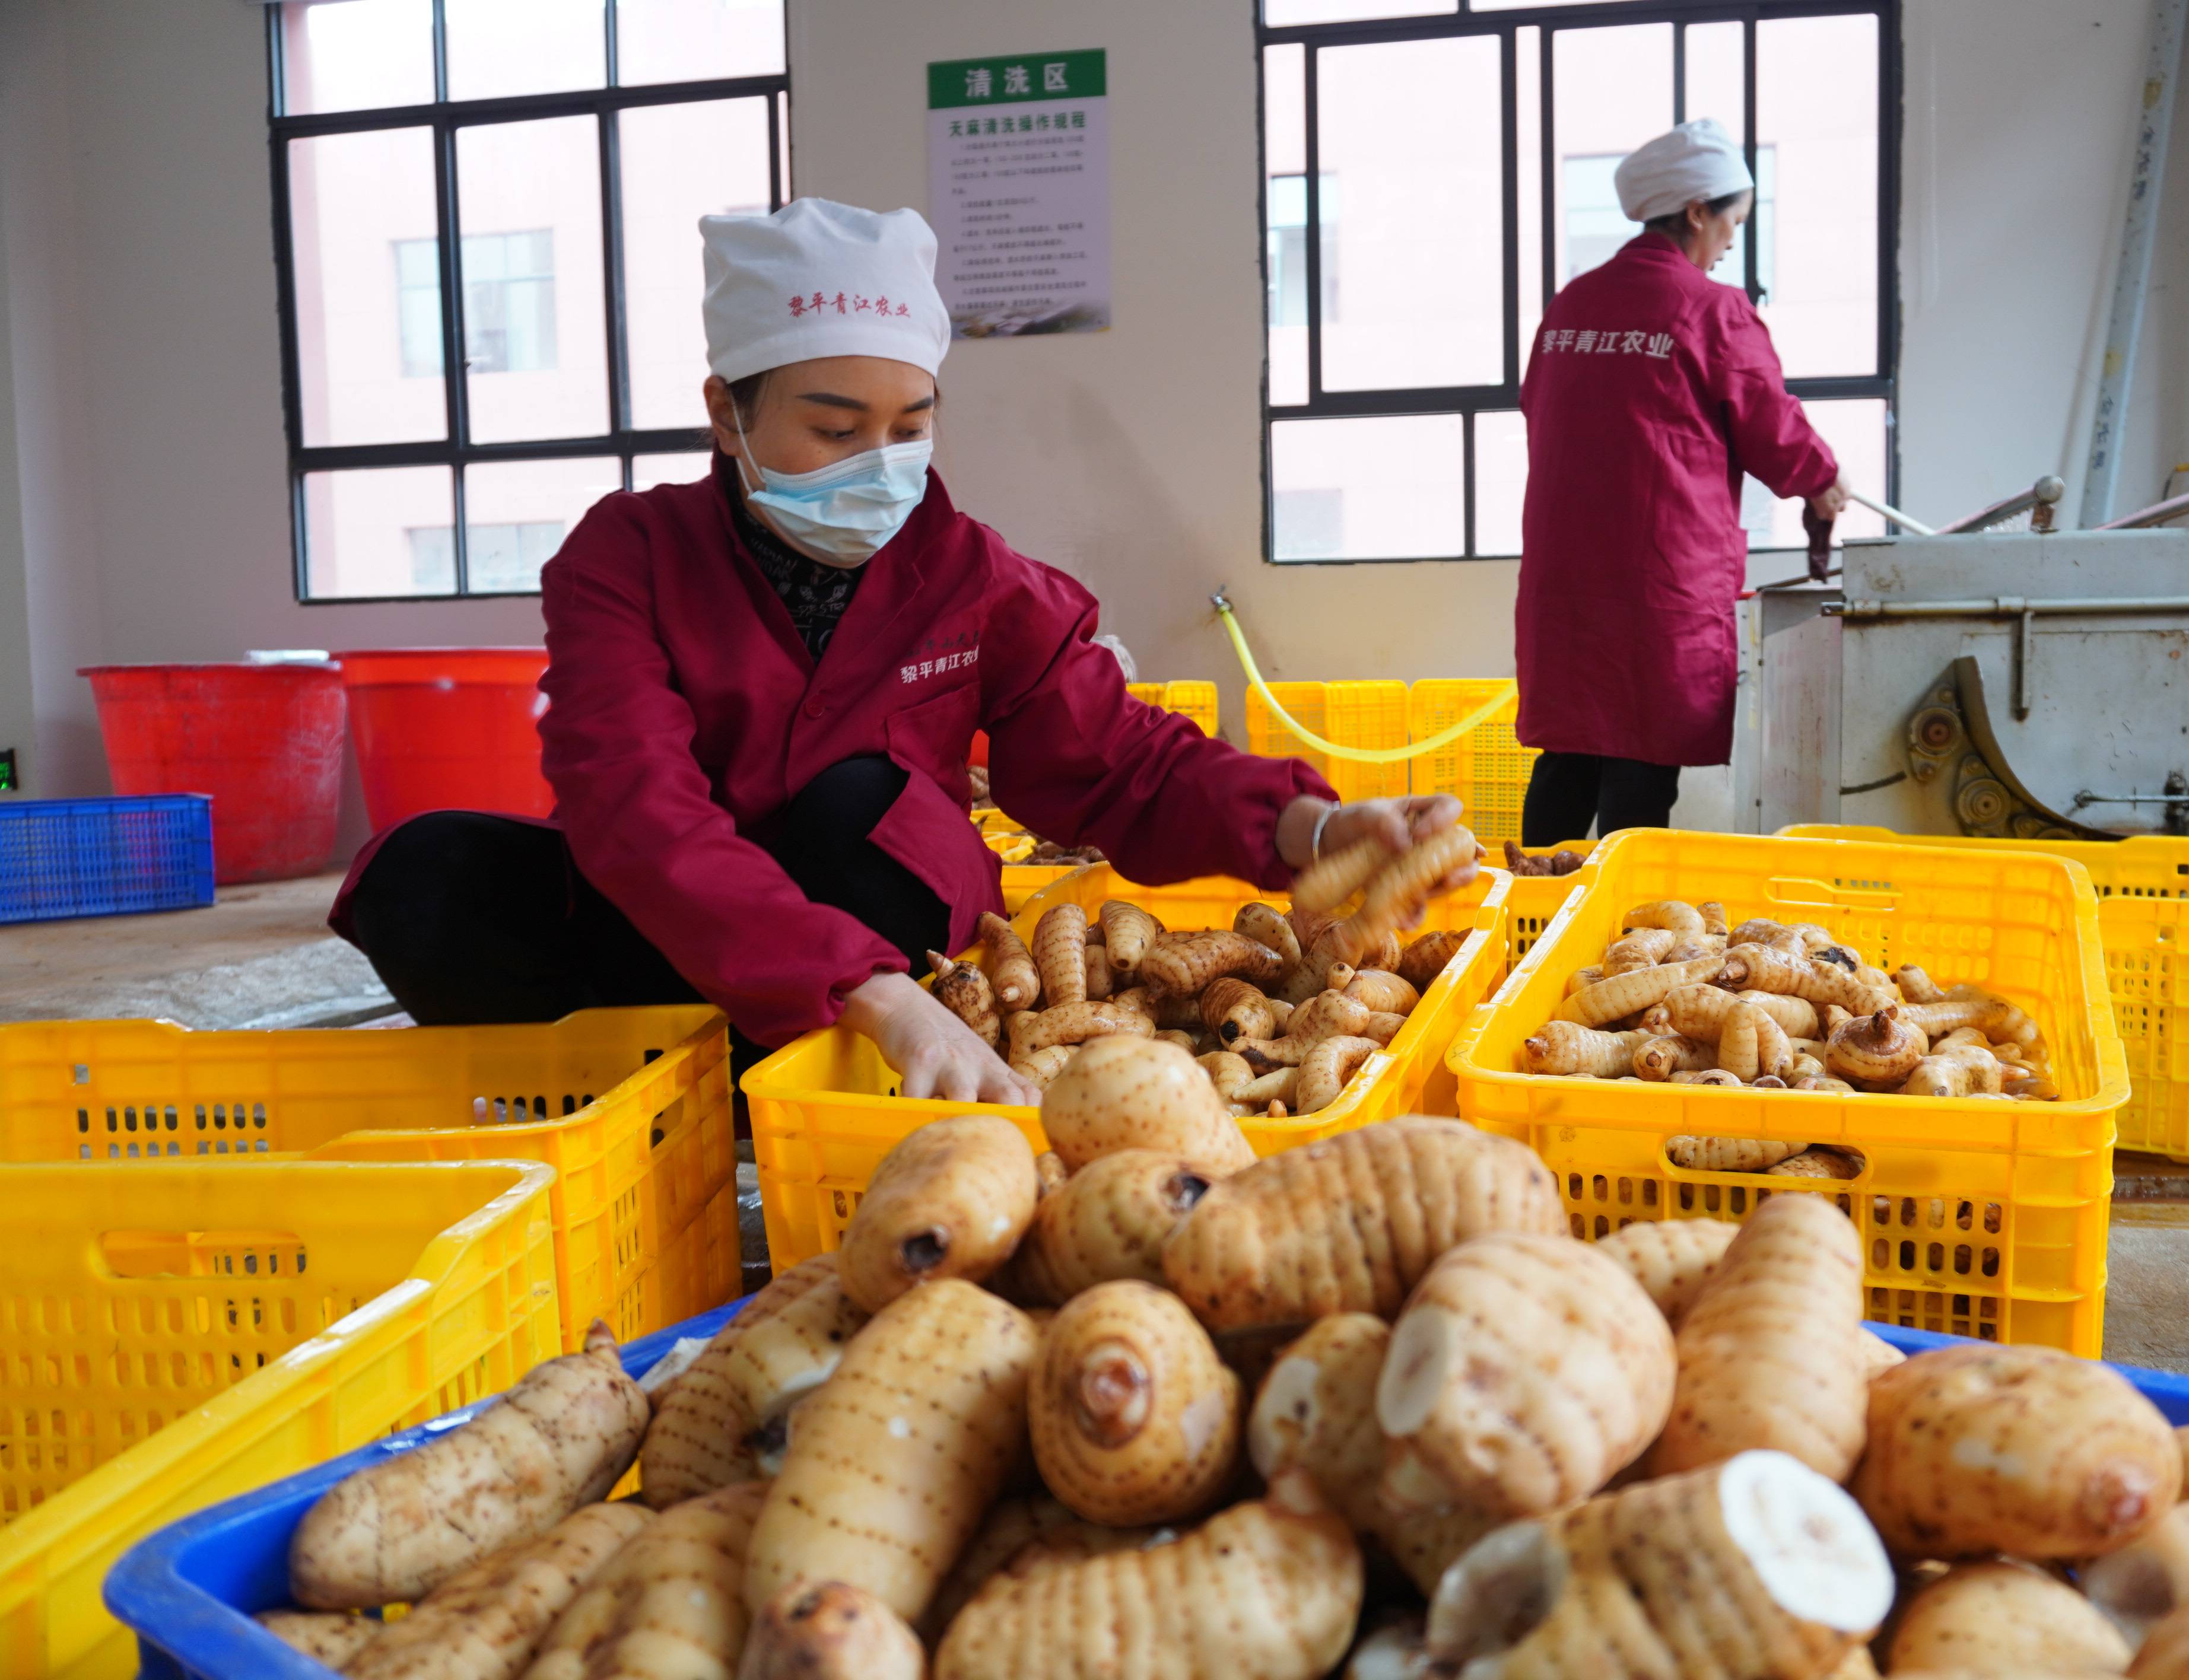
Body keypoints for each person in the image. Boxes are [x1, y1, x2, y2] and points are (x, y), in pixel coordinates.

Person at [332, 199, 1464, 1103]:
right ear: (727, 414)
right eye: (834, 428)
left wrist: (1312, 826)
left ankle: (772, 1079)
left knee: (854, 808)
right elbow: (633, 804)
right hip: (684, 930)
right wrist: (854, 986)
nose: (878, 461)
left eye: (910, 425)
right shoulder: (627, 556)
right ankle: (686, 1082)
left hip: (881, 915)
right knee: (423, 873)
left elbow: (1115, 756)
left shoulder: (968, 574)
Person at [1513, 119, 1849, 845]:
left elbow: (1536, 405)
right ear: (1696, 212)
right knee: (1640, 763)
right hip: (1655, 581)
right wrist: (1823, 478)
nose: (1730, 241)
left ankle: (1529, 926)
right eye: (1730, 222)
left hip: (1567, 578)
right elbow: (1769, 423)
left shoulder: (1572, 305)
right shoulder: (1711, 310)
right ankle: (1615, 945)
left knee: (1566, 756)